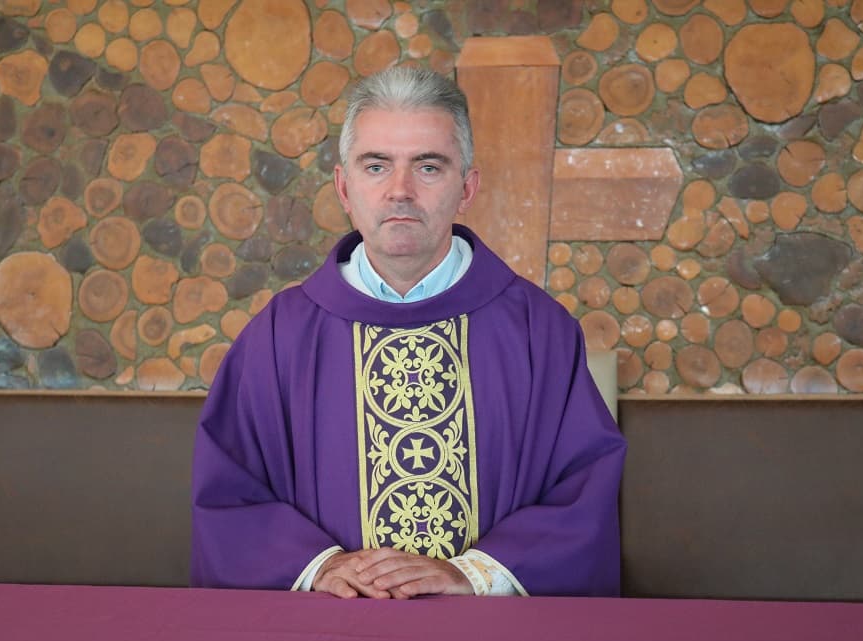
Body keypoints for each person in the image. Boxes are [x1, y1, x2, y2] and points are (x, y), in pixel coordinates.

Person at [191, 66, 626, 599]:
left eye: (428, 166)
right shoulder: (281, 337)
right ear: (344, 187)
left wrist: (476, 573)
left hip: (486, 638)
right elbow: (229, 494)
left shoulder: (539, 332)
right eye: (376, 166)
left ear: (466, 187)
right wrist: (321, 567)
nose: (400, 191)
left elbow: (584, 490)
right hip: (333, 634)